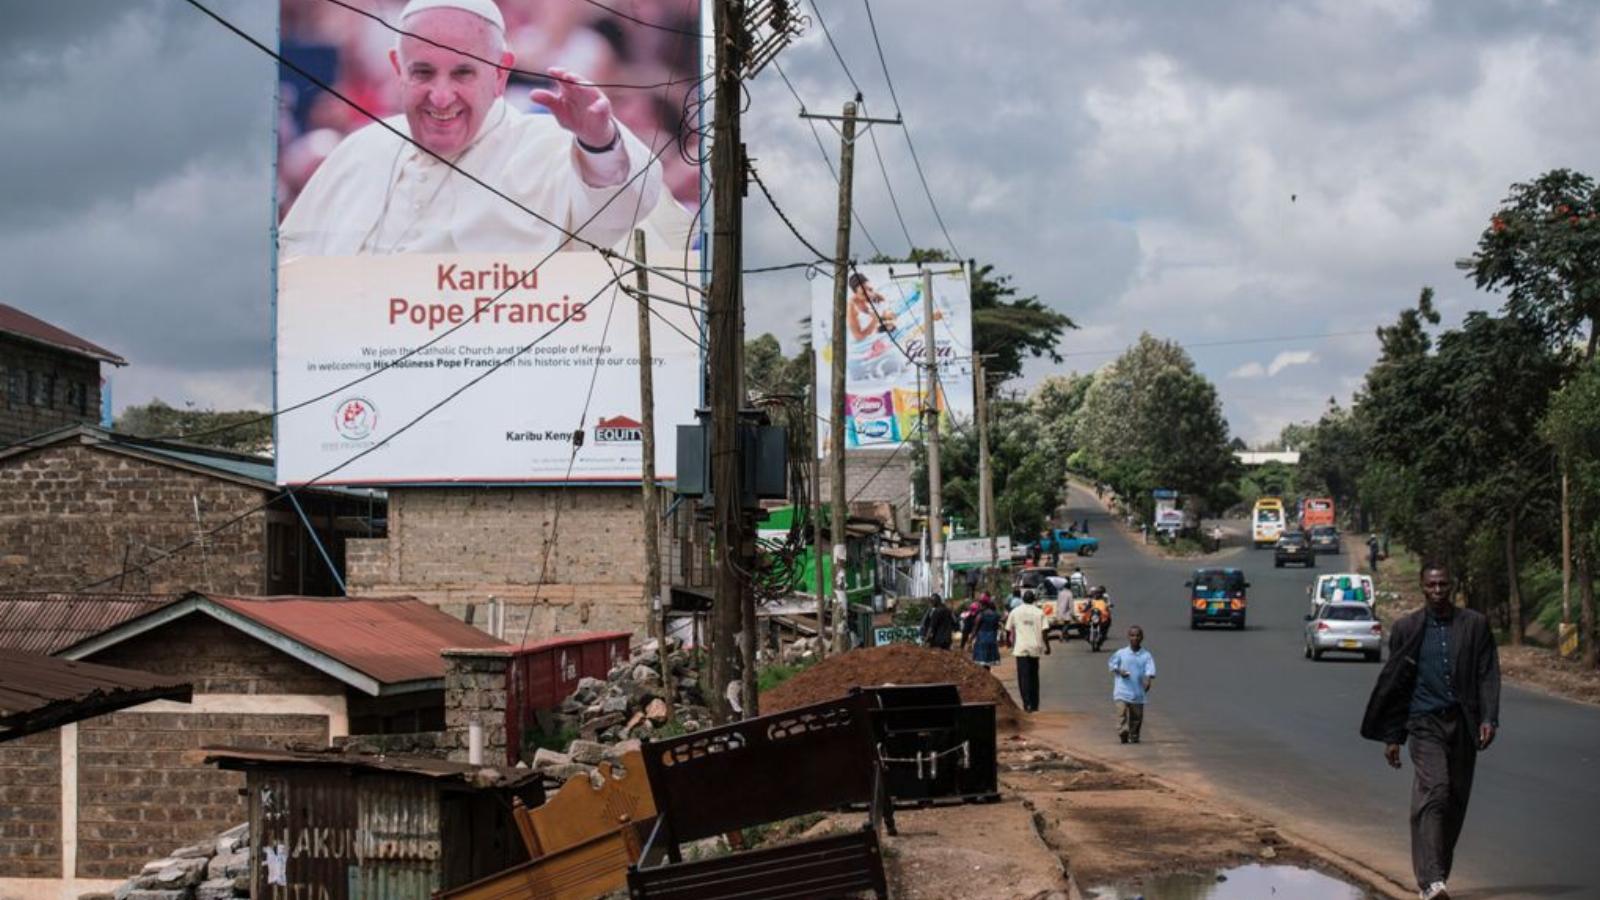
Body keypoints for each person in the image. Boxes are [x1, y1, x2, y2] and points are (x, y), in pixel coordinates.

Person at [280, 0, 663, 257]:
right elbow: (294, 282)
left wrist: (599, 144)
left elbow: (625, 214)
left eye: (463, 72)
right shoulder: (358, 152)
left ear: (500, 74)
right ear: (398, 70)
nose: (441, 97)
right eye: (423, 72)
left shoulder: (549, 148)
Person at [1361, 561, 1500, 900]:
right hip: (1424, 723)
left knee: (1453, 801)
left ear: (1452, 586)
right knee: (1436, 789)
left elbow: (1488, 674)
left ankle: (1437, 874)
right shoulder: (1408, 629)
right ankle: (1432, 882)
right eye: (1431, 586)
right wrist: (1393, 736)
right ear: (1422, 587)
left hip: (1463, 723)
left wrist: (1489, 718)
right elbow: (1397, 685)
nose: (1437, 591)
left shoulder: (1475, 625)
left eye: (1443, 585)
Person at [1107, 626, 1155, 744]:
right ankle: (1123, 732)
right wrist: (1119, 671)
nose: (1135, 638)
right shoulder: (1121, 653)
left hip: (1137, 691)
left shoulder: (1146, 655)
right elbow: (1112, 664)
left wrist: (1148, 680)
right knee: (1121, 713)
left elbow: (1150, 669)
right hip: (1122, 690)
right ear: (1128, 637)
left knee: (1136, 717)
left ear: (1142, 637)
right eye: (1132, 635)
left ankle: (1134, 734)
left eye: (1138, 635)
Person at [1006, 590, 1051, 713]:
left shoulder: (1015, 612)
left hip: (1021, 648)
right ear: (1034, 599)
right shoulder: (1039, 612)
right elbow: (1045, 631)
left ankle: (1027, 704)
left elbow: (1008, 629)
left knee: (1023, 677)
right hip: (1035, 647)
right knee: (1034, 677)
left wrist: (1008, 642)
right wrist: (1047, 646)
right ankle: (1035, 704)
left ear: (1023, 599)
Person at [971, 597, 1003, 669]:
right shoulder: (995, 615)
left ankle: (984, 677)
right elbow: (998, 625)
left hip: (982, 639)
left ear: (983, 605)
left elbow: (975, 628)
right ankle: (987, 675)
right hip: (992, 639)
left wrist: (971, 638)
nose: (979, 606)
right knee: (988, 662)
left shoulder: (980, 615)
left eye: (980, 605)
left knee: (981, 661)